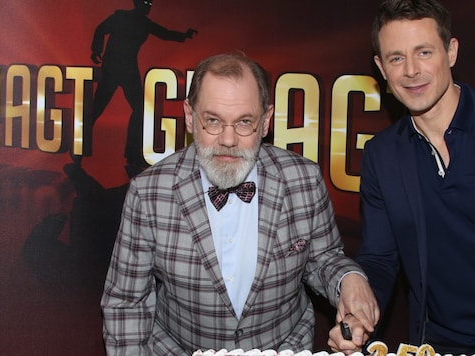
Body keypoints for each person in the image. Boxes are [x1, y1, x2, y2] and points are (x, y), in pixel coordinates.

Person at [101, 52, 379, 355]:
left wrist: (350, 278)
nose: (228, 140)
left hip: (284, 348)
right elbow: (127, 302)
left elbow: (323, 259)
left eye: (244, 122)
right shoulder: (149, 193)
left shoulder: (304, 179)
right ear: (190, 117)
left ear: (266, 121)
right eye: (213, 121)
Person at [353, 0, 475, 355]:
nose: (411, 70)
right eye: (396, 58)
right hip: (437, 344)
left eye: (424, 52)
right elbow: (379, 259)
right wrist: (360, 309)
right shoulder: (382, 155)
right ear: (381, 67)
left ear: (451, 51)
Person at [77, 0, 197, 173]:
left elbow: (164, 33)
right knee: (96, 109)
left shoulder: (144, 23)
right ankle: (78, 148)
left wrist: (184, 36)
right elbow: (101, 29)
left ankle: (132, 153)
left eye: (150, 2)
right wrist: (97, 49)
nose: (149, 5)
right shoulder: (121, 17)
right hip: (112, 69)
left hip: (129, 72)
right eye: (146, 2)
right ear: (137, 3)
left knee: (139, 110)